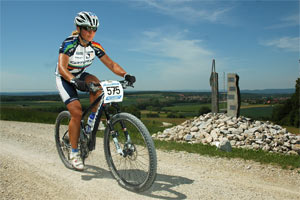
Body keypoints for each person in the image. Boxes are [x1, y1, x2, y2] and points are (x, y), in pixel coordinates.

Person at [55, 11, 136, 170]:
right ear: (79, 28)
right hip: (65, 77)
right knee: (76, 113)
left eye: (94, 29)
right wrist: (74, 81)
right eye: (87, 28)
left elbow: (111, 64)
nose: (91, 32)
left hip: (81, 74)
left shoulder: (95, 46)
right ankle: (74, 152)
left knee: (98, 87)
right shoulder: (69, 44)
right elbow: (62, 67)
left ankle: (92, 122)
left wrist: (126, 74)